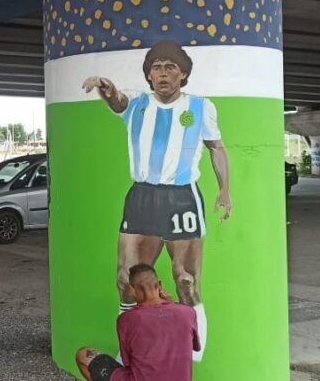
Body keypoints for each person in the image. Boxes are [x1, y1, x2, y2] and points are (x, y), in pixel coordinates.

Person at [82, 40, 231, 361]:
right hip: (142, 197)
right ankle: (129, 352)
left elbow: (216, 147)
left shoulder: (201, 107)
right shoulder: (138, 103)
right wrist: (106, 90)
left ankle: (193, 356)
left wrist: (225, 190)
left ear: (183, 74)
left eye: (170, 67)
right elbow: (117, 101)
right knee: (126, 279)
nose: (162, 73)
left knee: (186, 281)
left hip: (182, 198)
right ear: (149, 76)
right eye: (156, 68)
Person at [76, 264, 199, 381]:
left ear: (132, 290)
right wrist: (172, 304)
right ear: (160, 285)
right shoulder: (188, 313)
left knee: (83, 355)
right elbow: (194, 347)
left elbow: (127, 362)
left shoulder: (126, 320)